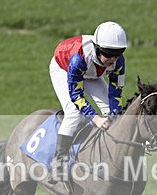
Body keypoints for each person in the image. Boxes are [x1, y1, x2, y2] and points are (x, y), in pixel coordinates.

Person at [48, 21, 128, 181]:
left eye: (117, 54)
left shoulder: (118, 61)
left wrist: (111, 114)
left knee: (112, 113)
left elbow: (116, 92)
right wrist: (95, 118)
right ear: (98, 49)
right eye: (108, 54)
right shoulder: (79, 58)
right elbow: (76, 95)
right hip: (64, 68)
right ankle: (58, 162)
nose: (113, 59)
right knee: (74, 112)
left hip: (93, 74)